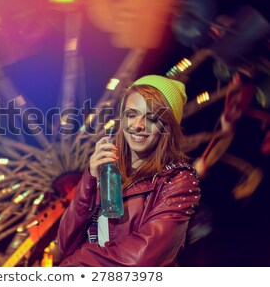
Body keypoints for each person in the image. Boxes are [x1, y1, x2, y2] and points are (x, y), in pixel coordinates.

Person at [58, 74, 201, 266]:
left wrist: (76, 262)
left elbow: (140, 260)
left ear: (167, 127)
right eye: (132, 114)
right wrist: (89, 179)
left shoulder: (178, 180)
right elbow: (66, 244)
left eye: (152, 118)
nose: (138, 125)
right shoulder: (107, 172)